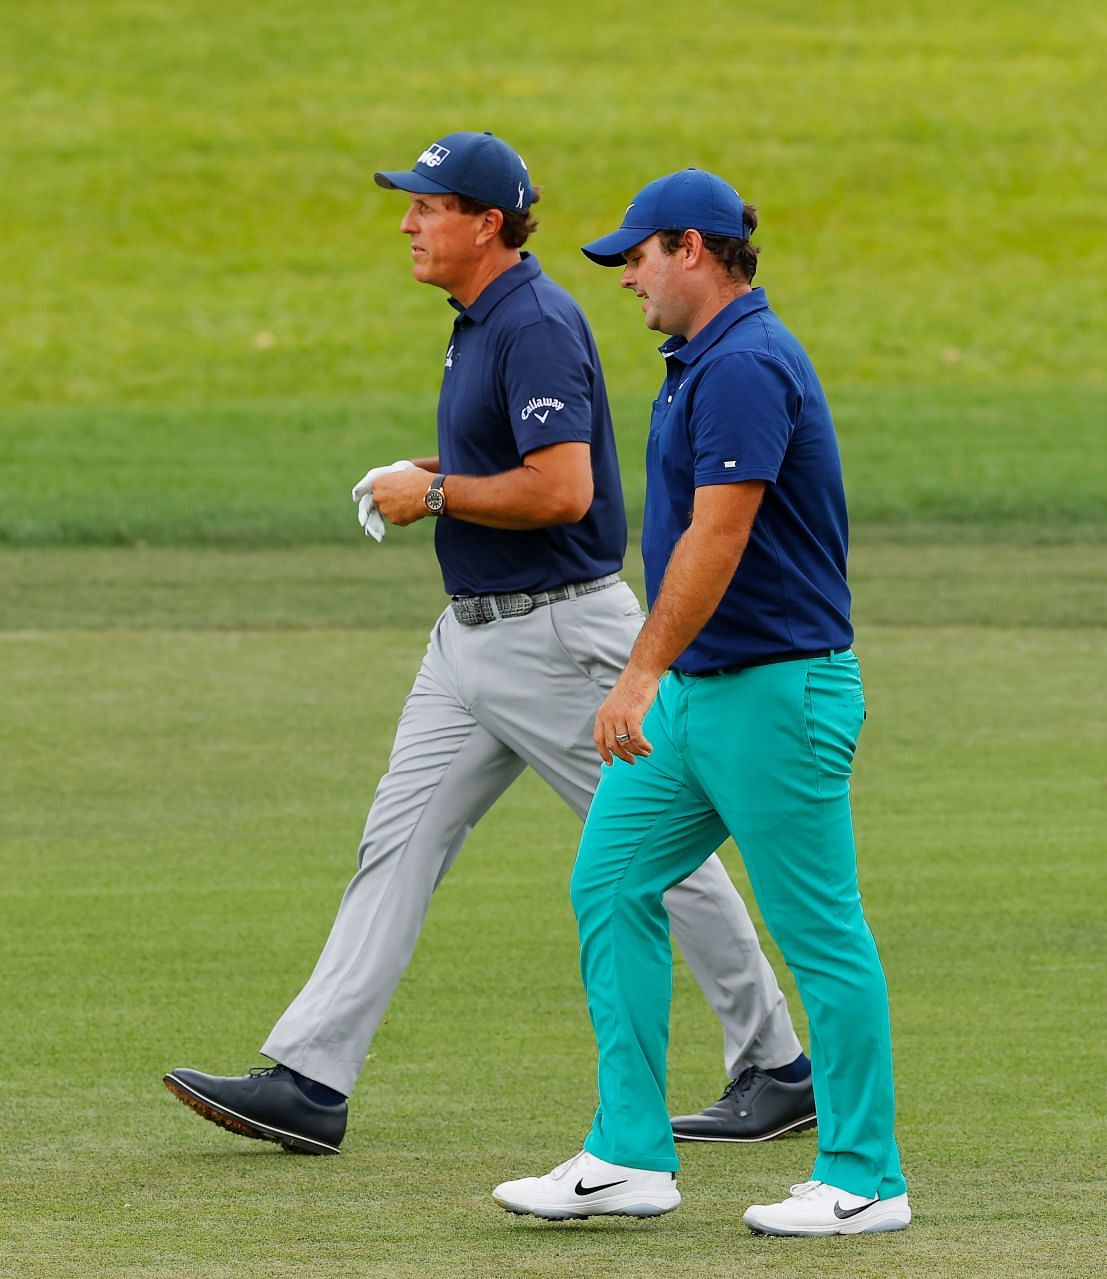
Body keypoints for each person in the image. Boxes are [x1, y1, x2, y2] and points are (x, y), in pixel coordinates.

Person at [163, 135, 816, 1156]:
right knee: (397, 845)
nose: (408, 222)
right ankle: (311, 1079)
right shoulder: (480, 323)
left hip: (557, 636)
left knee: (657, 852)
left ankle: (778, 1064)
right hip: (470, 642)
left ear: (486, 221)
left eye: (427, 205)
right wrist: (430, 467)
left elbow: (564, 491)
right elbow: (509, 457)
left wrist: (429, 492)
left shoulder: (538, 324)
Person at [492, 170, 911, 1236]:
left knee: (820, 933)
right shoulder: (697, 363)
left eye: (638, 256)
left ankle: (866, 1175)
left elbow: (719, 538)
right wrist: (663, 678)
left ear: (693, 248)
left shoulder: (746, 363)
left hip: (781, 689)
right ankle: (630, 1153)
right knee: (612, 880)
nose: (627, 277)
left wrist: (636, 673)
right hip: (704, 692)